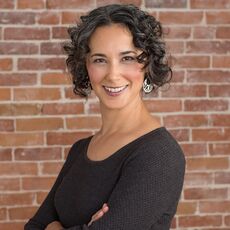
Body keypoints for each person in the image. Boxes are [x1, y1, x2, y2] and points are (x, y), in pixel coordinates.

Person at [24, 4, 185, 230]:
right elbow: (34, 226)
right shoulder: (80, 149)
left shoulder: (159, 155)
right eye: (100, 59)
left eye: (127, 58)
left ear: (147, 65)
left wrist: (54, 227)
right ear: (86, 67)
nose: (113, 74)